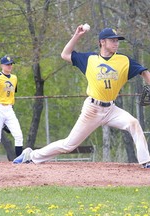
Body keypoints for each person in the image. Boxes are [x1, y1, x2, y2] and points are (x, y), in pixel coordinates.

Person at [13, 26, 150, 168]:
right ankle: (31, 155)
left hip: (111, 109)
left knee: (133, 123)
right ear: (102, 42)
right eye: (113, 40)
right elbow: (65, 54)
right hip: (93, 109)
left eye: (117, 40)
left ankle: (146, 161)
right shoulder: (89, 59)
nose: (116, 43)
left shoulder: (124, 60)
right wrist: (77, 35)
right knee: (68, 145)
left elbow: (144, 71)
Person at [0, 55, 23, 161]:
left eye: (11, 64)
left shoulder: (14, 78)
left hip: (9, 109)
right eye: (7, 64)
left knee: (18, 135)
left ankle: (19, 160)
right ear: (2, 65)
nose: (9, 66)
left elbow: (11, 94)